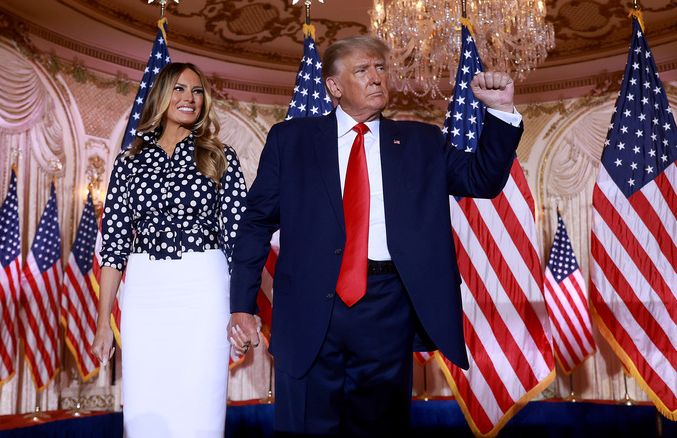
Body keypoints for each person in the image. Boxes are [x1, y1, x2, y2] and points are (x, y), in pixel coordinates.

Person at [228, 35, 523, 436]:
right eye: (362, 70)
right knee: (305, 427)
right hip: (310, 305)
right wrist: (243, 305)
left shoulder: (422, 141)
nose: (376, 78)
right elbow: (255, 224)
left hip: (387, 305)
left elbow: (483, 179)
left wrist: (501, 110)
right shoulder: (290, 139)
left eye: (381, 68)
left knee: (380, 427)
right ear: (333, 86)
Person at [91, 62, 248, 438]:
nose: (189, 99)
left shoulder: (219, 155)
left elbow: (241, 241)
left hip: (204, 287)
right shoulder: (128, 164)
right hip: (145, 289)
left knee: (200, 409)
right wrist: (102, 324)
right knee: (146, 409)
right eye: (179, 89)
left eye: (197, 92)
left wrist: (245, 308)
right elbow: (113, 248)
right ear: (160, 96)